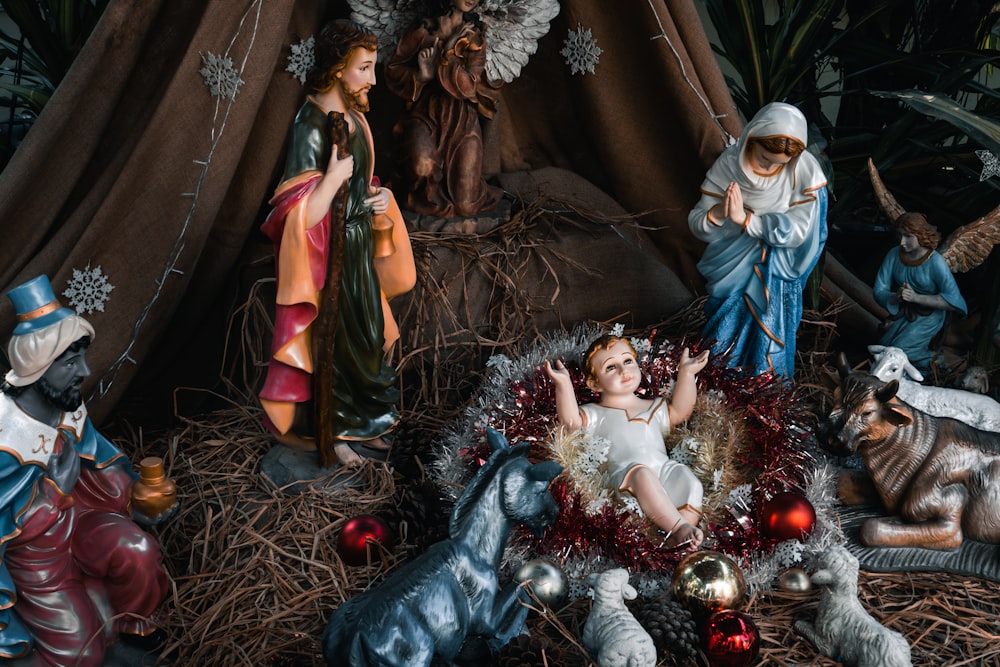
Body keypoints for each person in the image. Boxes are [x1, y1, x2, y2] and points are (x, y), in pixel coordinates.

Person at [258, 20, 416, 468]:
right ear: (335, 71)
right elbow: (294, 210)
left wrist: (380, 201)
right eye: (363, 68)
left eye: (372, 67)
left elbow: (359, 187)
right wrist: (331, 180)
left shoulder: (356, 120)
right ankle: (338, 433)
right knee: (338, 343)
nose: (371, 79)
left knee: (368, 336)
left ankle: (369, 421)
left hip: (358, 247)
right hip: (327, 257)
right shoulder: (310, 126)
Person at [0, 275, 170, 666]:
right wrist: (55, 491)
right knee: (80, 653)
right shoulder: (7, 440)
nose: (85, 370)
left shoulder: (66, 405)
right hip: (35, 557)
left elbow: (100, 462)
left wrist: (136, 499)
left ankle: (136, 626)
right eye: (71, 362)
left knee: (137, 550)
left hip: (81, 522)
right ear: (37, 367)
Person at [688, 102, 828, 380]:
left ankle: (763, 386)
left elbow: (801, 230)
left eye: (781, 164)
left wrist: (748, 221)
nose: (772, 167)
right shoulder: (729, 165)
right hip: (732, 263)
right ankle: (719, 382)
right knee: (724, 323)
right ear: (751, 140)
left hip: (776, 268)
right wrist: (720, 213)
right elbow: (697, 222)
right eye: (765, 158)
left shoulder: (803, 171)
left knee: (769, 322)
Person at [544, 335, 710, 548]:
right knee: (641, 474)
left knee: (689, 481)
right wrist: (564, 385)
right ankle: (678, 529)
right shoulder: (596, 414)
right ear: (594, 383)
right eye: (611, 368)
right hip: (626, 478)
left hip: (663, 471)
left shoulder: (654, 407)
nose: (624, 371)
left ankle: (682, 541)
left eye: (628, 361)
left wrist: (687, 373)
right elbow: (571, 423)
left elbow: (680, 411)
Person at [385, 0, 502, 218]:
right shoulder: (422, 30)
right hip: (425, 116)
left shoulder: (474, 36)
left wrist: (448, 51)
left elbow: (468, 87)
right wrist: (420, 76)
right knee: (422, 169)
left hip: (462, 121)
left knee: (466, 205)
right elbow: (393, 69)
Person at [873, 212, 967, 371]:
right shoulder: (893, 255)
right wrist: (896, 297)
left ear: (921, 235)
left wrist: (916, 297)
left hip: (929, 315)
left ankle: (934, 368)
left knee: (901, 349)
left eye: (908, 236)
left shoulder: (935, 261)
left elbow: (953, 300)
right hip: (904, 312)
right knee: (885, 347)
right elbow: (879, 289)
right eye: (900, 235)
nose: (902, 242)